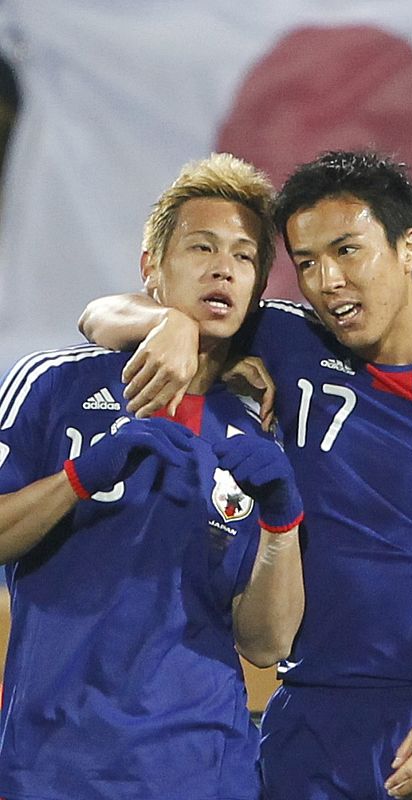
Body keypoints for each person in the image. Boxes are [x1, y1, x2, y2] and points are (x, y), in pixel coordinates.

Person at [79, 150, 412, 800]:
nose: (326, 281)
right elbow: (99, 315)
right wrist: (169, 322)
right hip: (308, 719)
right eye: (306, 262)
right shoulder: (287, 338)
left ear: (410, 248)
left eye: (346, 252)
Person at [0, 152, 305, 800]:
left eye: (244, 256)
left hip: (205, 771)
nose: (223, 267)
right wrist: (79, 478)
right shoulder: (53, 383)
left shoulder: (260, 424)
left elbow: (266, 642)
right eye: (202, 247)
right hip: (51, 768)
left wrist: (282, 524)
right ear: (151, 270)